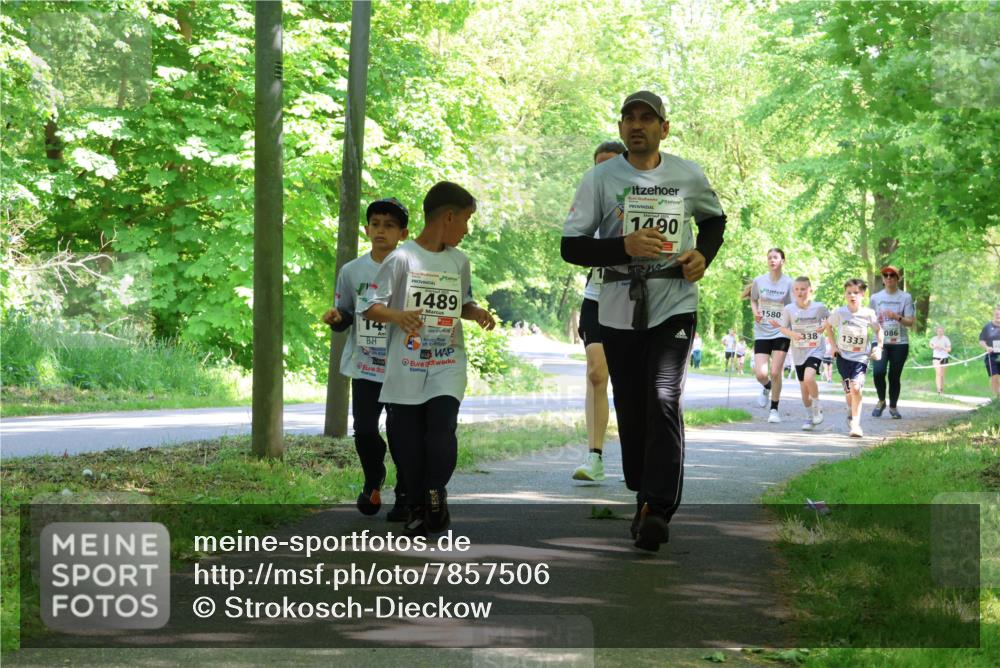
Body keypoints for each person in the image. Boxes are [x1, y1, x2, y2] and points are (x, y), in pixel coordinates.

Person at [561, 90, 727, 551]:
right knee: (632, 405)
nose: (637, 125)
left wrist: (703, 257)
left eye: (647, 118)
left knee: (663, 395)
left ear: (663, 128)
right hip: (617, 305)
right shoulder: (600, 178)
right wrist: (623, 246)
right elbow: (571, 247)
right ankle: (641, 489)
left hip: (674, 301)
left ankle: (657, 506)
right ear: (620, 129)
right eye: (629, 118)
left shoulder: (687, 175)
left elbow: (715, 221)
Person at [363, 182, 496, 536]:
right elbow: (370, 307)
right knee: (406, 440)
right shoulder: (401, 258)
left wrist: (475, 311)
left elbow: (461, 302)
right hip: (406, 364)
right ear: (449, 216)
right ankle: (419, 500)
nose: (467, 229)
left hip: (446, 362)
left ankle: (435, 495)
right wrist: (398, 316)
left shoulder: (458, 260)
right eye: (466, 220)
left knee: (441, 429)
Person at [323, 198, 410, 520]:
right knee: (364, 430)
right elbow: (345, 313)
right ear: (366, 229)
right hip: (365, 364)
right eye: (375, 224)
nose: (380, 231)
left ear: (403, 233)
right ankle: (373, 478)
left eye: (389, 226)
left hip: (403, 365)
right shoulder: (352, 270)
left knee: (402, 434)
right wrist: (337, 318)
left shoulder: (413, 269)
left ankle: (404, 495)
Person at [572, 140, 626, 483]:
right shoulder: (586, 203)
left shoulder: (645, 198)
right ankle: (594, 457)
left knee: (633, 383)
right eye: (598, 166)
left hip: (636, 299)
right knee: (595, 373)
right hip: (596, 295)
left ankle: (639, 456)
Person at [825, 278, 883, 438]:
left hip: (861, 357)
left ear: (863, 294)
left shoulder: (868, 314)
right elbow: (828, 325)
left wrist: (879, 347)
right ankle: (850, 410)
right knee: (849, 391)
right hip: (843, 356)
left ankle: (856, 425)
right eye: (849, 293)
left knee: (856, 388)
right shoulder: (840, 312)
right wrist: (833, 345)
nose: (852, 296)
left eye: (856, 293)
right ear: (845, 294)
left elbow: (879, 330)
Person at [772, 276, 828, 431]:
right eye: (796, 289)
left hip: (815, 349)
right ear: (793, 291)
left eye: (803, 289)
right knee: (804, 391)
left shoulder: (819, 307)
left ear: (810, 290)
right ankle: (810, 416)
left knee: (809, 378)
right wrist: (792, 334)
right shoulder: (789, 309)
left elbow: (828, 321)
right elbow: (782, 328)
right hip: (798, 352)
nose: (800, 292)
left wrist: (824, 325)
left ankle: (817, 408)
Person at [750, 248, 794, 423]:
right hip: (762, 331)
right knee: (761, 374)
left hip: (780, 332)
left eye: (775, 257)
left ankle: (774, 410)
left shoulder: (789, 283)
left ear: (783, 261)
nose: (772, 260)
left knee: (776, 372)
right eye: (769, 258)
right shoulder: (759, 281)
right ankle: (767, 387)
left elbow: (793, 307)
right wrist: (755, 313)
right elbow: (753, 299)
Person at [869, 266, 915, 419]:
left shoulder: (905, 297)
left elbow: (910, 322)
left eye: (892, 275)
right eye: (885, 275)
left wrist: (896, 317)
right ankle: (881, 400)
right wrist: (875, 324)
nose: (888, 278)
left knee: (894, 376)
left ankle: (893, 407)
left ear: (897, 278)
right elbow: (870, 319)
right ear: (882, 279)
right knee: (878, 372)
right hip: (880, 341)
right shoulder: (875, 298)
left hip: (899, 343)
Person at [979, 307, 1000, 399]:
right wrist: (987, 347)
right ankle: (996, 398)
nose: (998, 316)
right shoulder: (987, 327)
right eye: (997, 314)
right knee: (994, 376)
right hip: (991, 355)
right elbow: (981, 341)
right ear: (994, 315)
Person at [929, 326, 952, 395]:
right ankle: (938, 390)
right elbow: (930, 345)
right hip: (936, 358)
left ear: (943, 332)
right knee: (938, 373)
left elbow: (949, 349)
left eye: (941, 331)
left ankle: (941, 389)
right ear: (936, 332)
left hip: (944, 358)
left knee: (942, 374)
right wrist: (934, 347)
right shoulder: (933, 339)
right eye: (938, 331)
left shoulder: (946, 339)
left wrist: (943, 348)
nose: (940, 332)